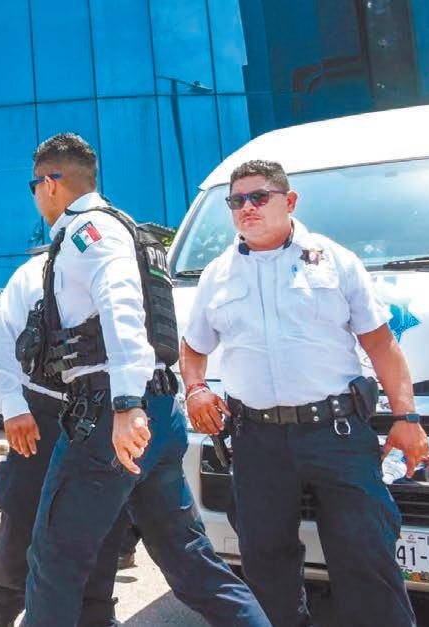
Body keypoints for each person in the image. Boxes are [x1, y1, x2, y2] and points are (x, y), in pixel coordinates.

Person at [20, 133, 265, 625]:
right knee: (190, 562)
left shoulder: (89, 232)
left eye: (34, 186)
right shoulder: (126, 229)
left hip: (110, 416)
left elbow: (123, 308)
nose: (35, 197)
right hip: (155, 410)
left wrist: (126, 404)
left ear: (50, 183)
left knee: (54, 562)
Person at [181, 159, 422, 626]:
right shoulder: (217, 274)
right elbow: (193, 348)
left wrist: (406, 417)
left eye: (258, 197)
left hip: (337, 434)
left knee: (365, 557)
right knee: (265, 563)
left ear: (289, 201)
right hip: (257, 440)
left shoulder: (335, 260)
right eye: (236, 201)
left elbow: (382, 345)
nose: (247, 208)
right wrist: (195, 388)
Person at [0, 253, 129, 626]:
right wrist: (12, 405)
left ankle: (95, 615)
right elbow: (3, 337)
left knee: (101, 526)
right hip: (42, 415)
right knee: (22, 520)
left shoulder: (122, 264)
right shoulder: (35, 271)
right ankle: (1, 613)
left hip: (106, 415)